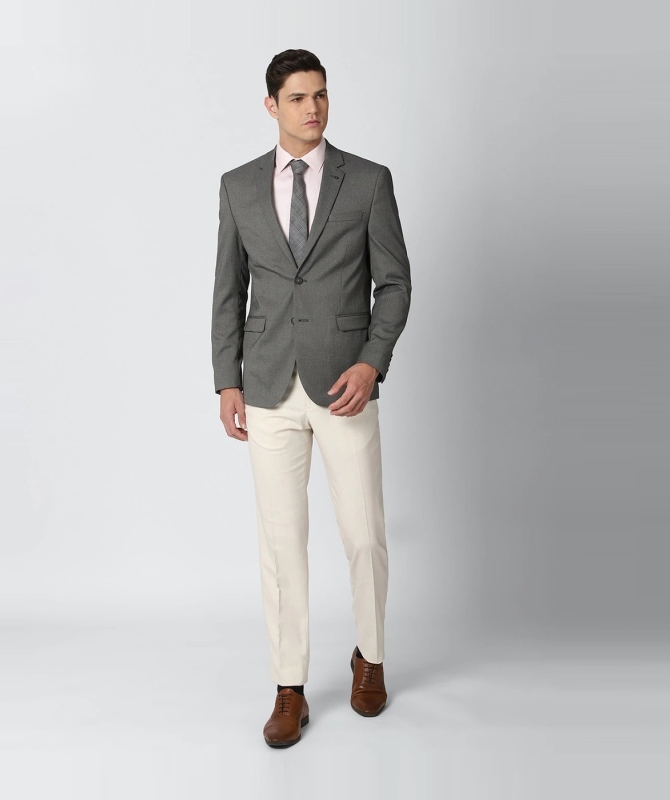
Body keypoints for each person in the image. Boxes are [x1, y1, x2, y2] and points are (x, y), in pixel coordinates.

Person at [211, 48, 412, 748]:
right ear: (272, 106)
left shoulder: (368, 182)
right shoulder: (238, 187)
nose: (313, 108)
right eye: (298, 98)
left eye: (321, 94)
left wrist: (371, 362)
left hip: (344, 386)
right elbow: (228, 290)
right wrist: (227, 378)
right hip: (268, 385)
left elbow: (395, 283)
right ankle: (288, 685)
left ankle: (371, 657)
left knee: (364, 534)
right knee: (281, 542)